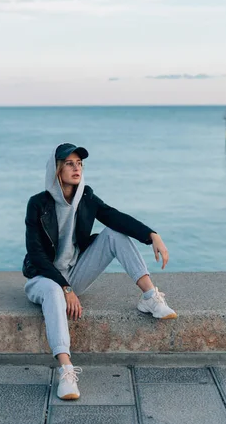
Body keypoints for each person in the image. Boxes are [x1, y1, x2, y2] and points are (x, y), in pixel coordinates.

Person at [23, 142, 176, 400]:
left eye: (79, 164)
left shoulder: (86, 197)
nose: (76, 168)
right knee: (52, 289)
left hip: (75, 274)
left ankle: (149, 297)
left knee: (115, 233)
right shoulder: (38, 204)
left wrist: (151, 234)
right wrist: (65, 288)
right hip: (43, 278)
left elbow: (114, 217)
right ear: (57, 169)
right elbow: (37, 254)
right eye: (69, 163)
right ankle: (66, 371)